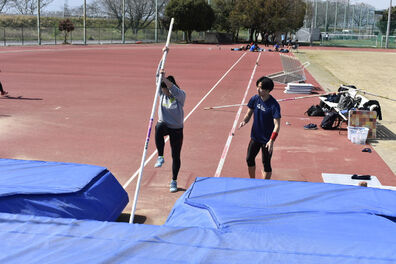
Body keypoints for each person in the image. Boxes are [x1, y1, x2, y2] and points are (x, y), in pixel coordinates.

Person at [239, 76, 281, 179]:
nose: (258, 89)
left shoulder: (274, 105)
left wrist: (271, 141)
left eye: (261, 88)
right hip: (255, 137)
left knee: (266, 164)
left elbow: (277, 125)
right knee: (249, 159)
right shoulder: (255, 99)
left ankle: (264, 184)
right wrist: (244, 120)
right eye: (257, 87)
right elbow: (249, 114)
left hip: (267, 141)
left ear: (267, 90)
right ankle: (252, 181)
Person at [154, 68, 186, 193]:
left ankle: (174, 180)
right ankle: (160, 156)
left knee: (176, 155)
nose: (164, 92)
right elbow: (157, 76)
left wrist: (164, 79)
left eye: (166, 89)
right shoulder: (161, 94)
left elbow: (171, 88)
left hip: (177, 129)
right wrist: (161, 64)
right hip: (165, 126)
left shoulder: (180, 95)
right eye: (163, 89)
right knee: (159, 126)